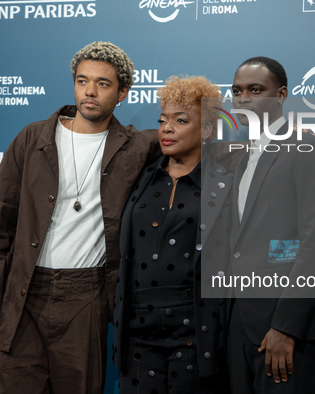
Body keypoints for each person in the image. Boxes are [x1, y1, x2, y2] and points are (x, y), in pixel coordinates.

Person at [0, 41, 160, 394]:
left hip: (85, 298)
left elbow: (201, 129)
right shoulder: (31, 138)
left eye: (103, 84)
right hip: (23, 293)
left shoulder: (136, 147)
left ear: (123, 93)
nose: (90, 91)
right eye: (82, 81)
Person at [226, 57, 315, 394]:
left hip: (288, 328)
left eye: (255, 89)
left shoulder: (308, 151)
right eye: (236, 91)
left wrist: (285, 328)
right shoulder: (243, 157)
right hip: (242, 324)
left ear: (281, 94)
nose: (243, 98)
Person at [113, 76, 232, 393]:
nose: (167, 128)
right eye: (163, 120)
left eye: (181, 120)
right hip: (138, 332)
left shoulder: (225, 183)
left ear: (206, 129)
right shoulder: (141, 176)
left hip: (195, 331)